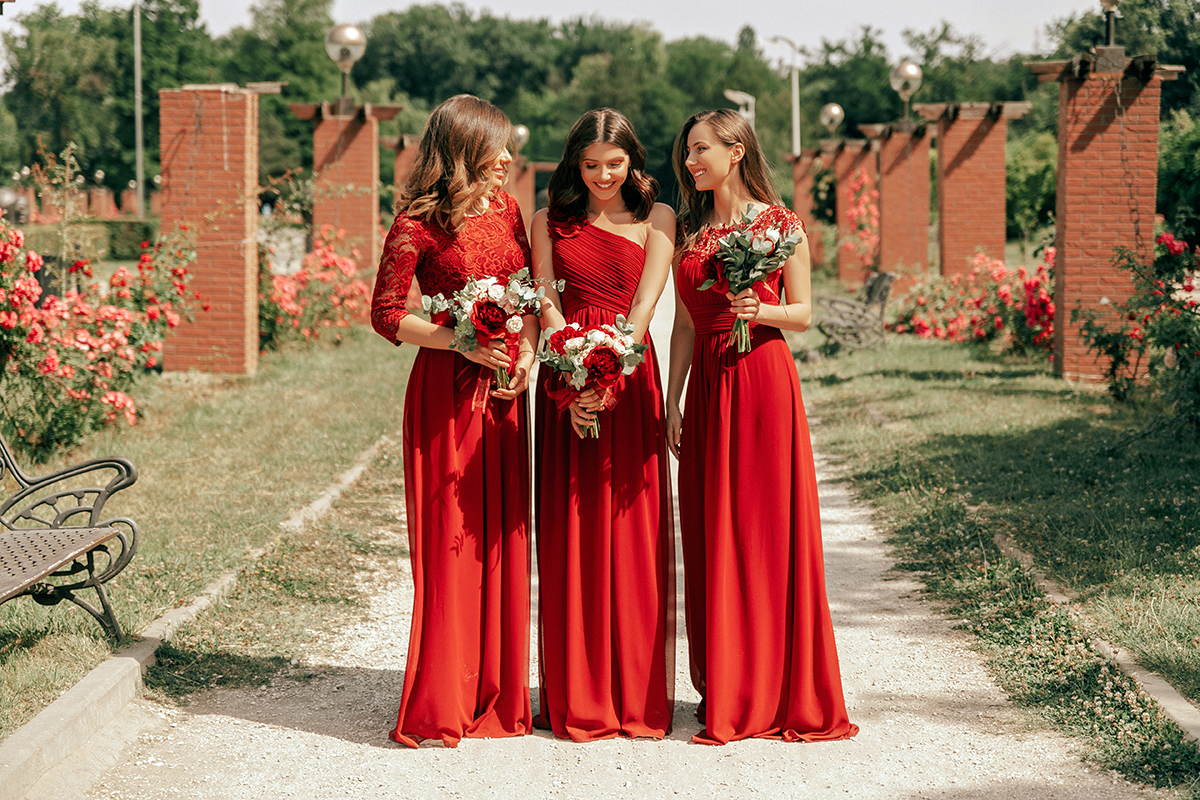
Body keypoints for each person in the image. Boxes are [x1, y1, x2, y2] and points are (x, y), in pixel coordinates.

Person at [666, 108, 858, 746]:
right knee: (712, 526)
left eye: (700, 150)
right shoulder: (691, 230)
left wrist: (763, 307)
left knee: (764, 529)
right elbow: (687, 322)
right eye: (687, 152)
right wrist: (673, 397)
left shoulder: (781, 224)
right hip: (710, 387)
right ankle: (730, 679)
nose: (690, 162)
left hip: (761, 378)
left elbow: (804, 314)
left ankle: (779, 686)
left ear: (736, 150)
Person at [370, 94, 536, 749]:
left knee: (501, 539)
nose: (507, 159)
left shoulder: (510, 209)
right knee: (453, 544)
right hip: (446, 395)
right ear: (464, 148)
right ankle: (444, 693)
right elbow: (386, 314)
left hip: (503, 394)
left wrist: (523, 355)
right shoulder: (417, 224)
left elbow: (524, 293)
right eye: (496, 147)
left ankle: (496, 689)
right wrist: (458, 341)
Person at [531, 108, 676, 741]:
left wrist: (610, 369)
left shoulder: (658, 219)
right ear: (573, 164)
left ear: (632, 161)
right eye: (590, 166)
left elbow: (646, 302)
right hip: (564, 376)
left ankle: (636, 692)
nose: (602, 176)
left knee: (631, 527)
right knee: (572, 527)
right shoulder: (546, 220)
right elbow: (545, 295)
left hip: (630, 371)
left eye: (613, 164)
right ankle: (577, 691)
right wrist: (571, 368)